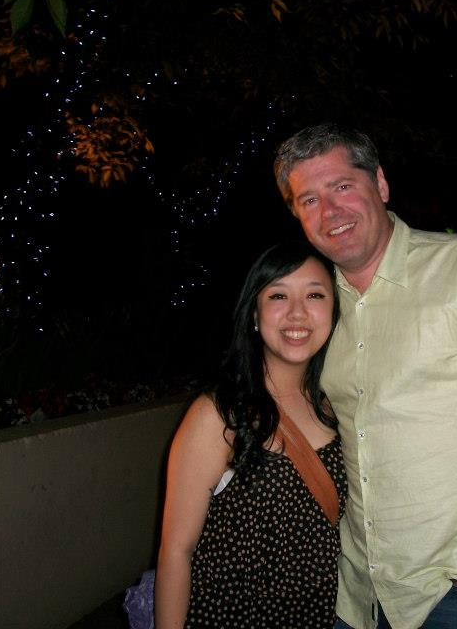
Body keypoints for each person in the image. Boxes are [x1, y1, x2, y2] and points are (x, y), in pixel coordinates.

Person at [274, 123, 457, 629]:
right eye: (309, 199)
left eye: (343, 186)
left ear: (380, 185)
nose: (330, 211)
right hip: (361, 596)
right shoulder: (321, 308)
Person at [153, 241, 346, 629]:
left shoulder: (339, 406)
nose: (297, 312)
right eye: (278, 295)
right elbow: (176, 552)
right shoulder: (218, 414)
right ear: (255, 316)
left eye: (314, 294)